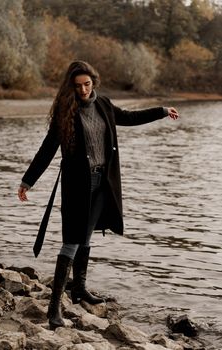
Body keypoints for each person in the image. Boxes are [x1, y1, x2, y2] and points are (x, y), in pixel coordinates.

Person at [18, 60, 179, 330]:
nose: (83, 89)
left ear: (94, 82)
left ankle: (79, 289)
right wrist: (27, 180)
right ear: (71, 86)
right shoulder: (65, 112)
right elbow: (47, 149)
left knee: (87, 237)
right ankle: (53, 308)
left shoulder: (103, 104)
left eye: (87, 84)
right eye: (78, 85)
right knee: (71, 241)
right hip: (77, 186)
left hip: (103, 182)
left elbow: (129, 117)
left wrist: (162, 111)